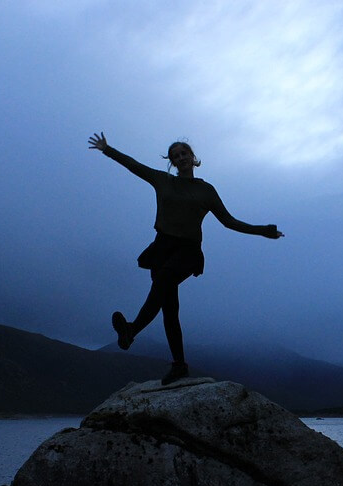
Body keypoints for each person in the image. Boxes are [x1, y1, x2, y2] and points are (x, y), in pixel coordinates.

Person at [88, 131, 283, 385]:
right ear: (172, 162)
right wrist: (107, 149)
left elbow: (228, 221)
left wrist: (263, 231)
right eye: (175, 156)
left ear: (193, 157)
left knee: (165, 280)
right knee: (169, 309)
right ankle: (179, 365)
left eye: (184, 153)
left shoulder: (206, 190)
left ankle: (131, 330)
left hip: (188, 250)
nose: (180, 158)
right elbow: (133, 165)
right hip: (162, 247)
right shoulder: (162, 180)